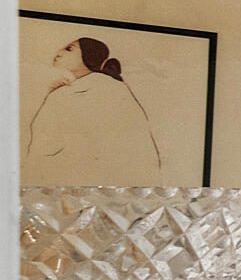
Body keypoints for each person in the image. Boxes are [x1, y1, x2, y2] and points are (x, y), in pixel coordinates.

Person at [25, 35, 164, 179]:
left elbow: (48, 146)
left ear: (89, 55)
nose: (59, 52)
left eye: (69, 49)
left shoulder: (95, 90)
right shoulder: (105, 86)